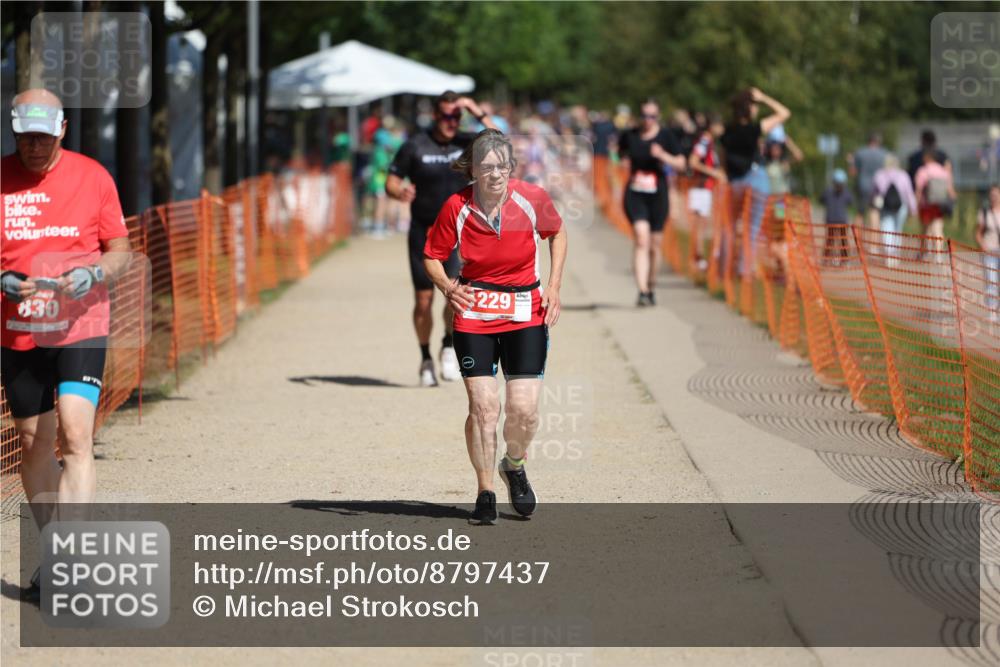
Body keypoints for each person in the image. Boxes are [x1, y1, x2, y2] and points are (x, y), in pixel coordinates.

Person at [0, 89, 131, 598]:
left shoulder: (93, 176)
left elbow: (119, 249)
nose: (33, 147)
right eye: (24, 137)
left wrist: (94, 274)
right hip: (18, 328)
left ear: (62, 130)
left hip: (81, 321)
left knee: (75, 436)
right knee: (33, 444)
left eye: (43, 137)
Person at [423, 130, 567, 525]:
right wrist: (449, 288)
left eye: (502, 165)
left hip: (525, 310)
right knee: (484, 408)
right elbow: (432, 256)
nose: (495, 174)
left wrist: (552, 287)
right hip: (475, 312)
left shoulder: (532, 198)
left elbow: (556, 234)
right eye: (486, 167)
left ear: (511, 166)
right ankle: (485, 489)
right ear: (473, 170)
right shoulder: (457, 206)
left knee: (524, 411)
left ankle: (514, 465)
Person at [386, 91, 496, 386]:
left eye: (456, 116)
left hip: (459, 232)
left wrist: (475, 109)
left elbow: (501, 143)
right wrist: (399, 192)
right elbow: (391, 181)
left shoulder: (466, 143)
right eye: (446, 116)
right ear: (435, 115)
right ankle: (425, 358)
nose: (451, 122)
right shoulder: (415, 145)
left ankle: (448, 344)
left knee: (455, 293)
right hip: (424, 231)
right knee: (423, 300)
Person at [618, 99, 686, 306]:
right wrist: (622, 160)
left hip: (658, 195)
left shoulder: (666, 136)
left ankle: (651, 283)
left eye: (652, 116)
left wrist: (662, 155)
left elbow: (682, 163)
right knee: (641, 239)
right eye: (645, 115)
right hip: (635, 193)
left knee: (655, 245)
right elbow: (620, 153)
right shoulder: (630, 135)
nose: (648, 120)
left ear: (658, 117)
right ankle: (642, 291)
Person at [720, 87, 791, 269]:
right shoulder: (755, 129)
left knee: (729, 226)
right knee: (751, 228)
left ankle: (723, 270)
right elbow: (784, 113)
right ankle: (744, 270)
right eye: (754, 106)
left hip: (734, 182)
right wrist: (763, 98)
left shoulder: (727, 131)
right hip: (756, 179)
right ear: (749, 108)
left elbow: (723, 157)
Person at [687, 114, 727, 272]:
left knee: (703, 224)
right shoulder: (704, 141)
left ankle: (699, 258)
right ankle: (697, 259)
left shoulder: (710, 142)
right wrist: (713, 173)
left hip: (706, 187)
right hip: (701, 186)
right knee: (700, 225)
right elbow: (693, 161)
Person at [871, 154, 917, 265]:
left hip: (885, 206)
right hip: (901, 206)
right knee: (897, 230)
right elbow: (909, 193)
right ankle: (895, 255)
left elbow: (874, 192)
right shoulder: (903, 175)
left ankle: (889, 255)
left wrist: (873, 203)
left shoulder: (879, 174)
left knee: (887, 230)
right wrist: (913, 209)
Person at [914, 150, 956, 260]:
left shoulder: (923, 171)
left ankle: (925, 252)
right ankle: (938, 254)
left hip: (926, 204)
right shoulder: (943, 171)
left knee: (926, 228)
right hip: (939, 204)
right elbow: (950, 190)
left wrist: (916, 203)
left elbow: (918, 189)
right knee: (938, 228)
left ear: (926, 158)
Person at [847, 132, 888, 229]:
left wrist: (850, 162)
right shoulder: (885, 154)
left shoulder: (860, 153)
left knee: (860, 212)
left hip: (863, 186)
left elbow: (853, 172)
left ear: (868, 141)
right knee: (875, 212)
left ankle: (856, 239)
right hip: (879, 188)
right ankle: (873, 242)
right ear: (878, 142)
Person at [975, 184, 1000, 319]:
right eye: (992, 195)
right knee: (991, 280)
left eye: (996, 194)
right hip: (989, 251)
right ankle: (991, 310)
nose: (994, 197)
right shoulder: (985, 212)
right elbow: (978, 233)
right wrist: (983, 246)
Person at [820, 169, 854, 266]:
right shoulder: (844, 192)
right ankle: (829, 258)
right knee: (833, 240)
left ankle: (842, 259)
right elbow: (850, 202)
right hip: (836, 220)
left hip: (836, 220)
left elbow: (821, 200)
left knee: (838, 240)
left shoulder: (828, 191)